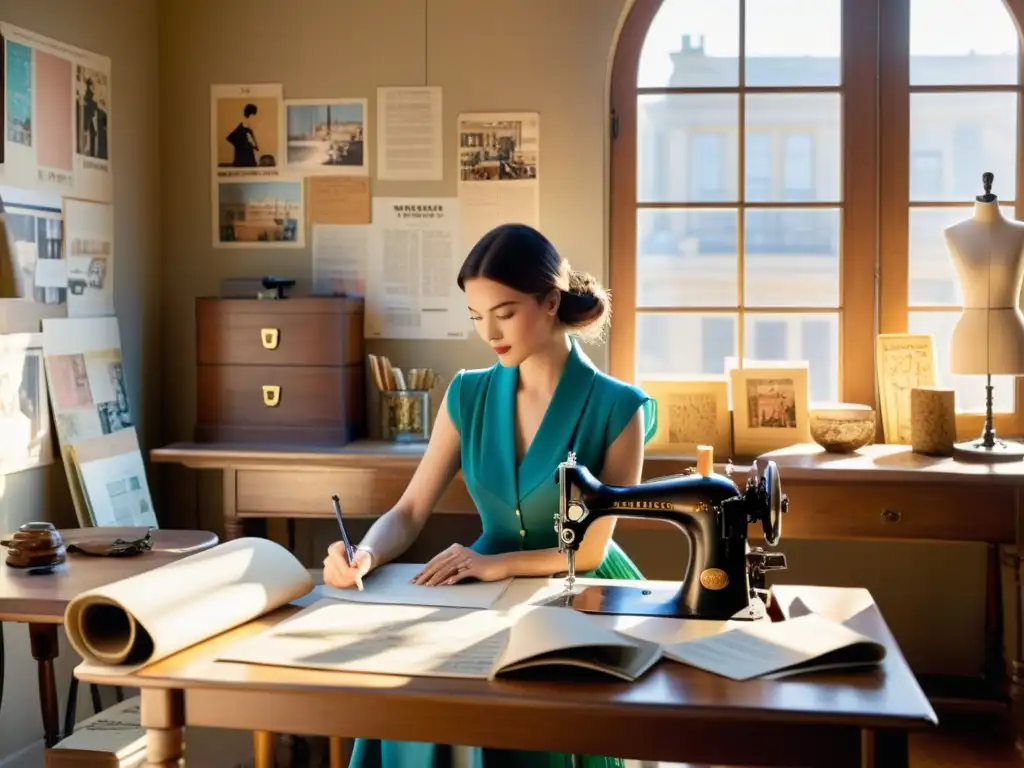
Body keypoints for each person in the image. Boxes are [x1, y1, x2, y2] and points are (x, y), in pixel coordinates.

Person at [323, 223, 658, 768]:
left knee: (537, 711)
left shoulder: (620, 407)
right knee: (415, 695)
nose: (489, 332)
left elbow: (591, 551)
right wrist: (366, 552)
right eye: (477, 317)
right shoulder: (468, 394)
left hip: (581, 588)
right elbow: (409, 511)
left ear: (550, 301)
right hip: (482, 585)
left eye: (503, 313)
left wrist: (494, 565)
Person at [225, 103, 259, 167]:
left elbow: (255, 147)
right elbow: (230, 138)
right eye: (254, 117)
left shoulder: (248, 130)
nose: (255, 120)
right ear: (251, 116)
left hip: (247, 161)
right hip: (242, 161)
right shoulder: (240, 129)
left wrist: (251, 142)